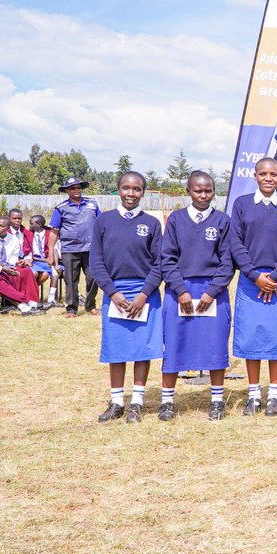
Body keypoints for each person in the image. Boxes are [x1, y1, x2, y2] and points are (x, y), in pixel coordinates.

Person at [159, 171, 234, 421]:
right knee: (174, 344)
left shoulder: (223, 221)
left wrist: (212, 292)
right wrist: (180, 291)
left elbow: (227, 261)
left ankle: (216, 400)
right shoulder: (177, 220)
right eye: (198, 190)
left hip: (213, 292)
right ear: (188, 191)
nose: (203, 195)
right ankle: (167, 401)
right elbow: (167, 258)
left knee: (215, 345)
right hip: (180, 290)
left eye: (208, 190)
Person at [89, 172, 164, 423]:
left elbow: (160, 263)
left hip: (145, 293)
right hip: (116, 293)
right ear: (118, 190)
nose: (131, 194)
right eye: (126, 188)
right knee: (116, 349)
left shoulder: (152, 224)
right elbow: (96, 261)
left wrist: (144, 294)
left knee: (143, 349)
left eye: (136, 189)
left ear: (144, 192)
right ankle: (118, 401)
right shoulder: (104, 221)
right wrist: (112, 292)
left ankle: (137, 402)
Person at [229, 157, 277, 417]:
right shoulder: (242, 204)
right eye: (263, 174)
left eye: (273, 174)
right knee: (251, 338)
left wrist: (275, 274)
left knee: (275, 338)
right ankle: (253, 394)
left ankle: (273, 394)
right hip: (250, 282)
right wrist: (254, 274)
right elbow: (235, 242)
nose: (268, 178)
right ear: (255, 176)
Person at [48, 177, 101, 318]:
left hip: (91, 248)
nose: (76, 190)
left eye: (78, 187)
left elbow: (101, 224)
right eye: (72, 188)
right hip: (70, 249)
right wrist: (50, 253)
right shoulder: (61, 208)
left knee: (94, 278)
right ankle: (71, 309)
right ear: (67, 191)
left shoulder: (92, 204)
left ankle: (90, 306)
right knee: (71, 280)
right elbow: (54, 232)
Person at [0, 227, 44, 317]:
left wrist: (4, 267)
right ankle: (28, 302)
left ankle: (24, 306)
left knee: (0, 279)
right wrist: (1, 268)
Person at [0, 217, 40, 308]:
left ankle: (31, 300)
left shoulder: (13, 239)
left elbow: (13, 256)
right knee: (7, 274)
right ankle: (14, 301)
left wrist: (17, 262)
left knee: (25, 271)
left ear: (8, 228)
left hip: (8, 264)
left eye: (2, 226)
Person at [27, 214, 61, 307]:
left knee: (55, 272)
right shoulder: (29, 233)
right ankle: (29, 296)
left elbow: (55, 248)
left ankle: (51, 299)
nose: (29, 226)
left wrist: (55, 263)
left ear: (39, 224)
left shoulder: (49, 233)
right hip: (34, 260)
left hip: (47, 260)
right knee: (37, 273)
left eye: (31, 223)